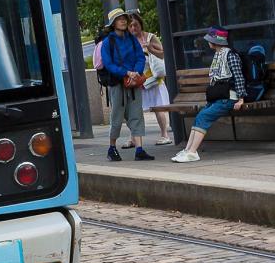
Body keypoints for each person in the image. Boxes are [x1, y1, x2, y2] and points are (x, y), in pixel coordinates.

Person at [173, 27, 244, 163]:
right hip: (218, 97)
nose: (208, 43)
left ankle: (193, 152)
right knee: (200, 116)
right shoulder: (218, 55)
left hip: (228, 98)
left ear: (214, 41)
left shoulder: (231, 56)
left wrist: (241, 99)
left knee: (204, 116)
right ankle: (188, 150)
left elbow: (239, 77)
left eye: (209, 40)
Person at [96, 9, 153, 162]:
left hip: (133, 81)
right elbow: (108, 64)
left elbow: (140, 56)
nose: (122, 21)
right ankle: (112, 148)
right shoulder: (108, 41)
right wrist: (126, 72)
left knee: (136, 114)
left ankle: (139, 149)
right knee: (117, 115)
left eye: (124, 19)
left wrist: (136, 72)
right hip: (117, 83)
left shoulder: (131, 38)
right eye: (119, 19)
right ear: (113, 23)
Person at [132, 14, 173, 144]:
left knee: (158, 107)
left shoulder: (150, 37)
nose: (133, 28)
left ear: (141, 24)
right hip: (139, 80)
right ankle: (134, 139)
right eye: (130, 26)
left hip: (153, 78)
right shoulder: (128, 40)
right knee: (135, 111)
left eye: (136, 25)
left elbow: (162, 53)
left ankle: (165, 135)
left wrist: (149, 48)